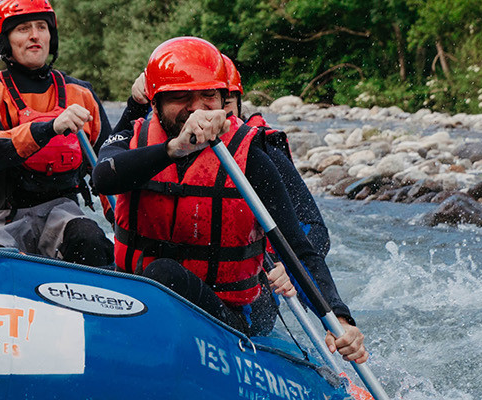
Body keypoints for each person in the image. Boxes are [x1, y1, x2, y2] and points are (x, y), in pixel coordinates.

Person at [92, 37, 366, 363]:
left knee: (164, 273)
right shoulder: (133, 139)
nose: (197, 108)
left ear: (226, 101)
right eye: (180, 97)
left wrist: (339, 317)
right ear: (155, 104)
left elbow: (299, 248)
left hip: (224, 316)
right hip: (133, 300)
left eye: (208, 96)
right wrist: (176, 148)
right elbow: (102, 178)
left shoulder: (254, 157)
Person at [0, 0, 113, 267]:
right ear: (4, 41)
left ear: (52, 36)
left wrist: (134, 108)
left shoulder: (81, 94)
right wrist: (48, 128)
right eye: (23, 29)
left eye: (42, 27)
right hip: (1, 217)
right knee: (0, 262)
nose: (35, 35)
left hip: (63, 213)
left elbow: (110, 167)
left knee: (90, 239)